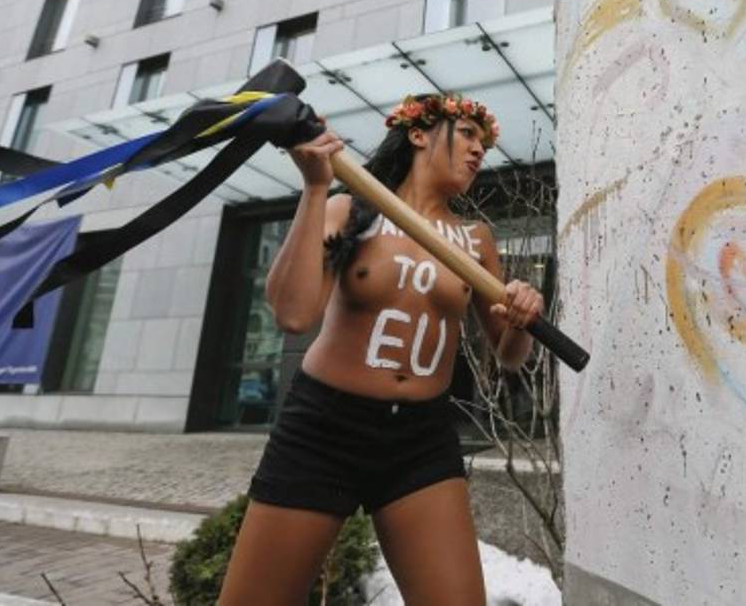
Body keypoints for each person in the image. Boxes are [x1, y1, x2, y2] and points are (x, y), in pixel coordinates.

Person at [219, 94, 544, 605]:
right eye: (467, 134)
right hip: (324, 430)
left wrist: (524, 318)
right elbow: (293, 315)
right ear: (418, 134)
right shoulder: (349, 210)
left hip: (422, 438)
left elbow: (509, 354)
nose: (479, 150)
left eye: (483, 143)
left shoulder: (476, 239)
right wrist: (315, 188)